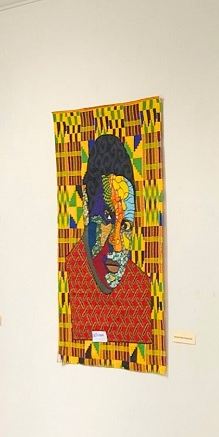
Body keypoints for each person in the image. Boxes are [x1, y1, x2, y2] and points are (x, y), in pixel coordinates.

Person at [65, 133, 153, 344]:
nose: (117, 243)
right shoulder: (68, 274)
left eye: (125, 226)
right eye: (106, 217)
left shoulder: (140, 288)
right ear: (86, 206)